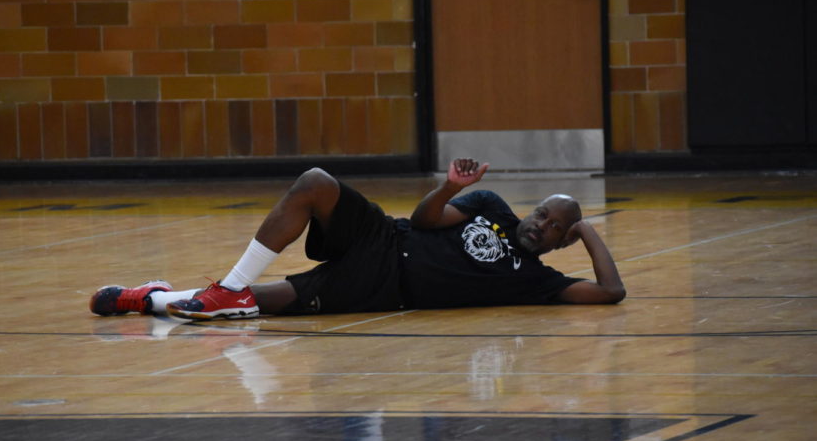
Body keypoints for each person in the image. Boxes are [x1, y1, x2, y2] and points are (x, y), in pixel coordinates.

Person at [89, 158, 625, 320]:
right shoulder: (491, 211)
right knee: (316, 183)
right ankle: (228, 285)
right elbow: (421, 220)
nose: (541, 224)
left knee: (254, 307)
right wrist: (449, 188)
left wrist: (587, 231)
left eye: (555, 226)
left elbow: (611, 294)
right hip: (384, 237)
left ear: (560, 243)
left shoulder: (538, 279)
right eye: (543, 213)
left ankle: (151, 298)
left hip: (377, 289)